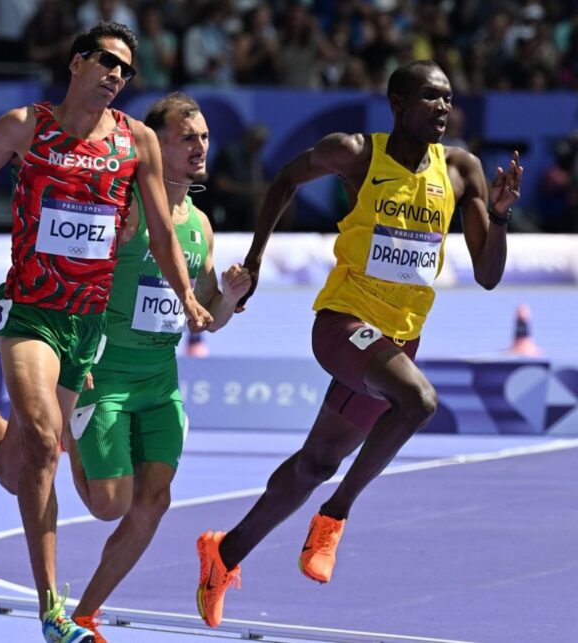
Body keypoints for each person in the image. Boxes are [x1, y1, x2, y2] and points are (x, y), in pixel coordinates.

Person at [0, 22, 211, 643]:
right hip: (30, 310)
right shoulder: (25, 126)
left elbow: (163, 233)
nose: (117, 76)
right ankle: (52, 610)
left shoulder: (135, 140)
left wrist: (189, 296)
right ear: (77, 62)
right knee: (42, 437)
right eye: (108, 62)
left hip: (87, 326)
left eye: (127, 71)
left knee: (20, 467)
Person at [194, 59, 523, 629]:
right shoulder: (357, 153)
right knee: (418, 402)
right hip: (344, 325)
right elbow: (285, 180)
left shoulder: (462, 170)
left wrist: (496, 216)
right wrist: (254, 258)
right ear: (396, 104)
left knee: (317, 461)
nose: (443, 108)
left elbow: (489, 275)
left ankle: (222, 555)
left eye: (447, 98)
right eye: (428, 98)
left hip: (396, 341)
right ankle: (334, 519)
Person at [61, 92, 249, 641]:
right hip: (106, 372)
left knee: (154, 502)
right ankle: (64, 428)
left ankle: (85, 615)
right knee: (108, 506)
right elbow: (71, 274)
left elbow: (206, 320)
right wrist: (72, 360)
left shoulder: (201, 224)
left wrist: (231, 297)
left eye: (205, 138)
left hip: (161, 379)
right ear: (153, 144)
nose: (199, 147)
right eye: (186, 137)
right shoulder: (123, 204)